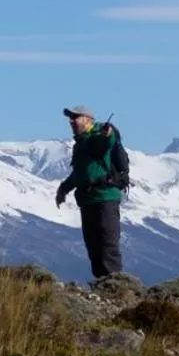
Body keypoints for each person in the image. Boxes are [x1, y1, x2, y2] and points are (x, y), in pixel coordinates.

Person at [55, 105, 125, 279]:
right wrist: (64, 189)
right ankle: (102, 284)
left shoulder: (97, 137)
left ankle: (115, 288)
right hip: (87, 200)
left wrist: (108, 135)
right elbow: (80, 173)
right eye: (70, 118)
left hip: (105, 198)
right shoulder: (79, 145)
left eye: (76, 117)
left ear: (88, 120)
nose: (71, 121)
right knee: (93, 246)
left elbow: (106, 142)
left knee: (107, 244)